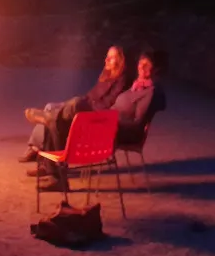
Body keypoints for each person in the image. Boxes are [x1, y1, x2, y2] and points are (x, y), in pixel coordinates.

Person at [32, 49, 168, 182]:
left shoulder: (150, 92)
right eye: (140, 63)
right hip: (107, 121)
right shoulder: (135, 86)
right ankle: (53, 171)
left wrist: (110, 120)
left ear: (155, 69)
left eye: (147, 65)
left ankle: (55, 173)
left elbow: (136, 123)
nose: (141, 67)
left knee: (62, 116)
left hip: (116, 129)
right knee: (57, 121)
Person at [18, 45, 128, 163]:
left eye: (111, 58)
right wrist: (85, 101)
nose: (106, 60)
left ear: (120, 60)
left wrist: (86, 103)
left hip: (94, 116)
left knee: (69, 106)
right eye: (107, 57)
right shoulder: (106, 75)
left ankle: (37, 149)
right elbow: (91, 95)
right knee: (50, 108)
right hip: (87, 106)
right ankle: (37, 149)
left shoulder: (121, 80)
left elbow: (108, 104)